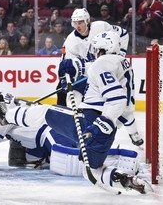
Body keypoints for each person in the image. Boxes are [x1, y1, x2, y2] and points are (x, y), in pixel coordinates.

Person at [0, 31, 148, 194]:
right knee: (92, 171)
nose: (94, 52)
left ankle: (6, 116)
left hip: (91, 123)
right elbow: (126, 110)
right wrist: (74, 66)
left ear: (104, 48)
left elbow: (116, 98)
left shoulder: (101, 65)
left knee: (46, 112)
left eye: (96, 49)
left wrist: (101, 124)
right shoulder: (122, 63)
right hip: (107, 135)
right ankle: (125, 180)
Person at [0, 81, 142, 178]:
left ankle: (120, 162)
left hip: (53, 134)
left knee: (77, 160)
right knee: (19, 145)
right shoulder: (6, 99)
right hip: (52, 129)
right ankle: (41, 158)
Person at [55, 8, 143, 147]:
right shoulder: (71, 41)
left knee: (123, 106)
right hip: (89, 71)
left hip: (108, 68)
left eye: (81, 22)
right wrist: (67, 79)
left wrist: (120, 54)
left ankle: (133, 133)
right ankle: (77, 125)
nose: (78, 26)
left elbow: (124, 34)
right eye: (75, 23)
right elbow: (68, 66)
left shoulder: (101, 26)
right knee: (73, 95)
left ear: (87, 21)